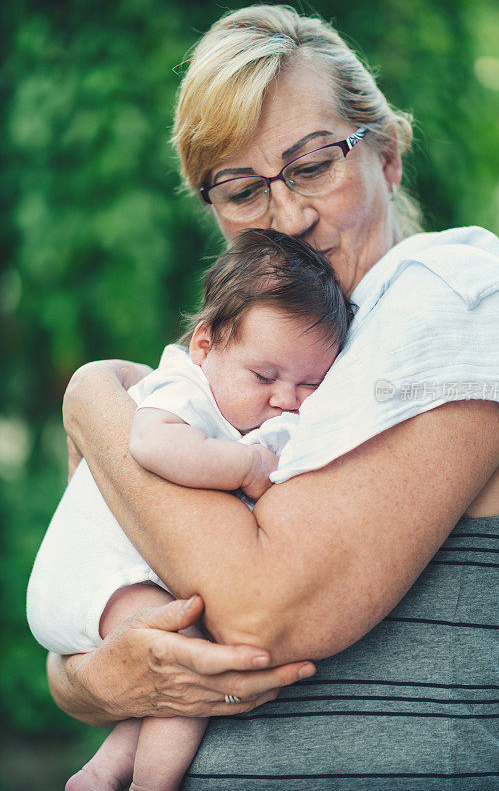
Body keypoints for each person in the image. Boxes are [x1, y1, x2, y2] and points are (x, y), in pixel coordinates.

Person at [42, 4, 499, 790]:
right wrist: (98, 682)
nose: (290, 219)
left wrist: (93, 398)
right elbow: (86, 610)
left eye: (313, 167)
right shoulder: (242, 378)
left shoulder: (455, 295)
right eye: (241, 191)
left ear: (389, 154)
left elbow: (264, 614)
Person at [27, 229, 354, 791]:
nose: (285, 398)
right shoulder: (183, 389)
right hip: (97, 574)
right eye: (264, 376)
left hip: (128, 580)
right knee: (189, 663)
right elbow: (152, 446)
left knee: (167, 680)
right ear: (204, 345)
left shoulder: (264, 414)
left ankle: (101, 774)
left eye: (310, 383)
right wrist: (248, 468)